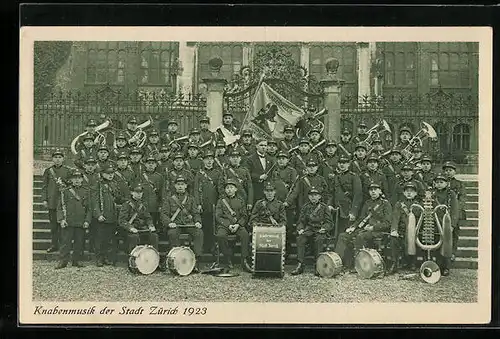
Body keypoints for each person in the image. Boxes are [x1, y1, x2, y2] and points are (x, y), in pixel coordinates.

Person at [336, 183, 392, 272]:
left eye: (375, 189)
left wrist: (373, 227)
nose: (373, 191)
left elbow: (387, 223)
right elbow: (362, 218)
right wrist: (353, 227)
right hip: (364, 229)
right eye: (371, 190)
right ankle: (338, 263)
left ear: (380, 191)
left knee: (360, 237)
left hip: (378, 231)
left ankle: (359, 264)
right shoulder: (367, 203)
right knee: (343, 236)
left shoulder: (385, 204)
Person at [161, 176, 204, 273]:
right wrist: (169, 223)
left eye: (182, 184)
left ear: (186, 186)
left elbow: (196, 213)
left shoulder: (191, 199)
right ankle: (176, 259)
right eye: (178, 184)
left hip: (189, 224)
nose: (180, 186)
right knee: (172, 234)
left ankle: (196, 260)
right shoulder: (169, 199)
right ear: (175, 186)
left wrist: (197, 222)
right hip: (176, 225)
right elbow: (164, 214)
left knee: (199, 233)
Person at [291, 187, 334, 276]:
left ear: (319, 197)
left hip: (320, 230)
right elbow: (301, 221)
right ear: (308, 197)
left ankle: (318, 265)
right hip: (309, 230)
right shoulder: (306, 207)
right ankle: (300, 264)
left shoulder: (324, 207)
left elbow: (329, 223)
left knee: (319, 239)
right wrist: (300, 229)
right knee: (300, 239)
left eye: (315, 195)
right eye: (311, 195)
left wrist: (324, 228)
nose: (313, 197)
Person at [55, 170, 92, 269]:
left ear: (82, 179)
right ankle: (63, 261)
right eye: (74, 178)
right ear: (71, 180)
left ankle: (77, 260)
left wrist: (87, 221)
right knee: (65, 243)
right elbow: (60, 207)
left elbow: (89, 209)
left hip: (81, 222)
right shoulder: (65, 192)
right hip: (68, 221)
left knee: (79, 242)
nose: (77, 180)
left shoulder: (86, 192)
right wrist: (61, 219)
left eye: (79, 178)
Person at [215, 179, 253, 273]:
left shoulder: (240, 200)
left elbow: (244, 215)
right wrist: (228, 225)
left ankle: (244, 260)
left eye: (231, 187)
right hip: (224, 226)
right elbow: (218, 216)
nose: (229, 190)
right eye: (227, 188)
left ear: (236, 189)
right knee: (220, 236)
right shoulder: (221, 201)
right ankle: (227, 258)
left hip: (238, 225)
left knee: (245, 235)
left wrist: (238, 224)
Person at [92, 164, 126, 266]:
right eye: (108, 173)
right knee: (100, 239)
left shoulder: (114, 184)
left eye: (112, 173)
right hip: (103, 216)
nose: (110, 175)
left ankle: (106, 257)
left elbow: (118, 198)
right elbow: (94, 201)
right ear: (102, 174)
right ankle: (99, 258)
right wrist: (98, 215)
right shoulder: (98, 185)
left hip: (113, 216)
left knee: (109, 239)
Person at [42, 148, 72, 253]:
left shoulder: (68, 171)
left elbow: (71, 185)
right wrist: (45, 199)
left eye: (60, 157)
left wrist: (64, 183)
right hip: (53, 202)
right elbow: (44, 186)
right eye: (55, 157)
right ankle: (54, 245)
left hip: (64, 202)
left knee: (64, 225)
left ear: (63, 159)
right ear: (52, 159)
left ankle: (64, 245)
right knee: (54, 225)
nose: (58, 159)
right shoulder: (48, 171)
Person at [194, 149, 223, 253]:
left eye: (211, 159)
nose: (209, 161)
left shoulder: (217, 173)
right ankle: (203, 247)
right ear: (204, 161)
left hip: (214, 204)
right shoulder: (199, 174)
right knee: (203, 226)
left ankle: (212, 247)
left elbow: (220, 190)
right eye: (207, 159)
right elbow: (196, 190)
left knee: (213, 227)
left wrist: (219, 205)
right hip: (203, 205)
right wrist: (198, 204)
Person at [430, 173, 459, 276]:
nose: (439, 184)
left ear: (446, 183)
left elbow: (455, 210)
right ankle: (437, 265)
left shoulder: (451, 194)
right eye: (437, 182)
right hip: (435, 222)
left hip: (447, 222)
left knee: (447, 245)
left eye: (441, 182)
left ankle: (446, 267)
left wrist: (452, 225)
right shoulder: (432, 194)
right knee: (437, 243)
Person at [271, 151, 298, 255]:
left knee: (288, 228)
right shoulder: (275, 171)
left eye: (284, 158)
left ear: (287, 160)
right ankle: (277, 252)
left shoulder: (292, 171)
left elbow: (294, 189)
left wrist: (288, 202)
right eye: (279, 158)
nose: (281, 160)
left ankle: (287, 252)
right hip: (277, 205)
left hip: (288, 206)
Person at [390, 182, 421, 273]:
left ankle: (412, 262)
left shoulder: (418, 205)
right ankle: (394, 263)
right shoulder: (399, 204)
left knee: (415, 239)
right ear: (403, 193)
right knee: (393, 239)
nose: (409, 193)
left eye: (411, 191)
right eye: (407, 191)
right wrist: (394, 230)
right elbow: (395, 218)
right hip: (402, 231)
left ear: (415, 193)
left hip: (414, 231)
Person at [119, 184, 159, 254]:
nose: (139, 194)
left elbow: (148, 217)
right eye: (137, 192)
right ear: (132, 192)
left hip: (142, 228)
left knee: (154, 236)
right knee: (134, 237)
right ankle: (132, 260)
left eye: (140, 192)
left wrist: (151, 225)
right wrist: (131, 228)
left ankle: (153, 257)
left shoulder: (143, 205)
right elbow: (122, 220)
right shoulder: (126, 205)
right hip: (130, 229)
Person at [330, 156, 363, 234]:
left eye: (344, 163)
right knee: (337, 234)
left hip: (348, 211)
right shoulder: (336, 177)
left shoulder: (354, 176)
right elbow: (332, 193)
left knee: (346, 234)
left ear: (348, 164)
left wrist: (353, 212)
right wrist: (330, 205)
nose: (342, 165)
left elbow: (358, 195)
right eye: (340, 163)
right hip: (337, 210)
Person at [442, 161, 466, 261]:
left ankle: (453, 252)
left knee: (454, 233)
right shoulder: (440, 182)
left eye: (450, 170)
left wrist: (456, 210)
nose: (448, 172)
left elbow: (462, 199)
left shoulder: (459, 184)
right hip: (443, 212)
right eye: (446, 170)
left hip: (455, 212)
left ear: (454, 172)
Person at [139, 155, 163, 229]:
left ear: (156, 165)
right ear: (145, 164)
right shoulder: (141, 176)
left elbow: (162, 192)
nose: (151, 165)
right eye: (149, 163)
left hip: (154, 205)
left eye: (153, 163)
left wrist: (160, 205)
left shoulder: (159, 177)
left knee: (154, 225)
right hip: (143, 205)